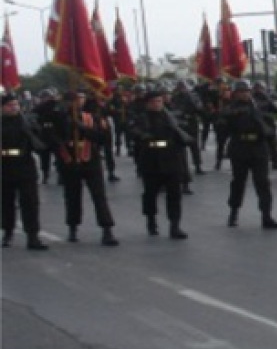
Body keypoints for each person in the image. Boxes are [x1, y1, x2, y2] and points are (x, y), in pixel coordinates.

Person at [53, 89, 118, 246]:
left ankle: (107, 229)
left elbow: (103, 138)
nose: (78, 102)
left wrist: (83, 128)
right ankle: (73, 227)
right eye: (74, 100)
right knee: (72, 197)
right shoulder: (58, 119)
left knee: (99, 196)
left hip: (90, 160)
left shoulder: (92, 117)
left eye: (81, 99)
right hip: (69, 161)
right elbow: (51, 139)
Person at [129, 89, 193, 239]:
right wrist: (143, 136)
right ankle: (151, 221)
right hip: (151, 160)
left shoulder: (170, 117)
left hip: (171, 159)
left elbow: (184, 130)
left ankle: (175, 225)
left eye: (159, 101)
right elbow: (134, 131)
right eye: (153, 102)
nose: (156, 104)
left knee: (174, 195)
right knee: (150, 194)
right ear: (147, 104)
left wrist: (180, 134)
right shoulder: (142, 118)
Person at [220, 80, 277, 229]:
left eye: (246, 91)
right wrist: (234, 114)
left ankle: (266, 216)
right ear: (235, 94)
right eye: (241, 92)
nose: (244, 94)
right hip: (240, 147)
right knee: (238, 182)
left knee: (263, 182)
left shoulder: (258, 106)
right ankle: (233, 213)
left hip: (258, 147)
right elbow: (222, 122)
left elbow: (273, 113)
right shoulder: (230, 109)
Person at [1, 93, 49, 250]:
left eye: (16, 104)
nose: (14, 107)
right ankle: (8, 232)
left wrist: (32, 128)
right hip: (4, 165)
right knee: (6, 202)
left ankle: (32, 236)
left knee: (30, 202)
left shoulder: (26, 121)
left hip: (25, 164)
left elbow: (40, 141)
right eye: (10, 105)